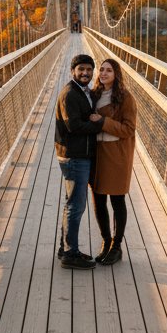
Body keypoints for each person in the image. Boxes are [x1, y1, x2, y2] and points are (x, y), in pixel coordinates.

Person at [55, 52, 102, 269]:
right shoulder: (69, 94)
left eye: (89, 69)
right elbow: (73, 126)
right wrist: (99, 124)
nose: (85, 73)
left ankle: (66, 248)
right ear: (73, 71)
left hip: (77, 154)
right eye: (81, 69)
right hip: (74, 156)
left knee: (72, 203)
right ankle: (70, 254)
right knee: (76, 205)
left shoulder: (82, 91)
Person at [89, 57, 136, 265]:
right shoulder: (94, 95)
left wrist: (103, 121)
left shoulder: (126, 98)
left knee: (117, 200)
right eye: (101, 70)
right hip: (97, 154)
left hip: (117, 154)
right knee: (98, 200)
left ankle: (116, 247)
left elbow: (129, 130)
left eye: (109, 70)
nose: (104, 73)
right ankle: (106, 242)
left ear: (116, 74)